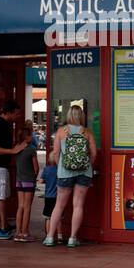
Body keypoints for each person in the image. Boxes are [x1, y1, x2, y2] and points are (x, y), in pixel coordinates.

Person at [45, 104, 96, 248]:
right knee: (78, 205)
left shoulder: (61, 131)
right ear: (82, 116)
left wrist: (62, 165)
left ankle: (49, 237)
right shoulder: (87, 132)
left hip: (64, 172)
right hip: (84, 173)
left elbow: (55, 153)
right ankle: (73, 238)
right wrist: (87, 165)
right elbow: (94, 153)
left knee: (59, 205)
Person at [0, 99, 29, 240]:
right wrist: (12, 151)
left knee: (2, 196)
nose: (17, 117)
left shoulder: (3, 124)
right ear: (9, 112)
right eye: (16, 114)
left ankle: (3, 225)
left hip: (1, 165)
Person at [13, 124, 39, 241]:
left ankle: (18, 232)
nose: (33, 136)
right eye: (31, 134)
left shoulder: (17, 148)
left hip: (19, 181)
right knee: (27, 207)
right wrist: (35, 177)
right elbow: (36, 167)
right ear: (27, 137)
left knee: (20, 206)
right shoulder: (31, 150)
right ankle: (25, 232)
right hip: (29, 180)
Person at [41, 151, 58, 232]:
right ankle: (59, 236)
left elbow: (41, 181)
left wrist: (46, 180)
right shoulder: (59, 170)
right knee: (59, 217)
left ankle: (48, 235)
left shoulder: (46, 169)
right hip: (57, 196)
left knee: (48, 217)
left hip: (48, 196)